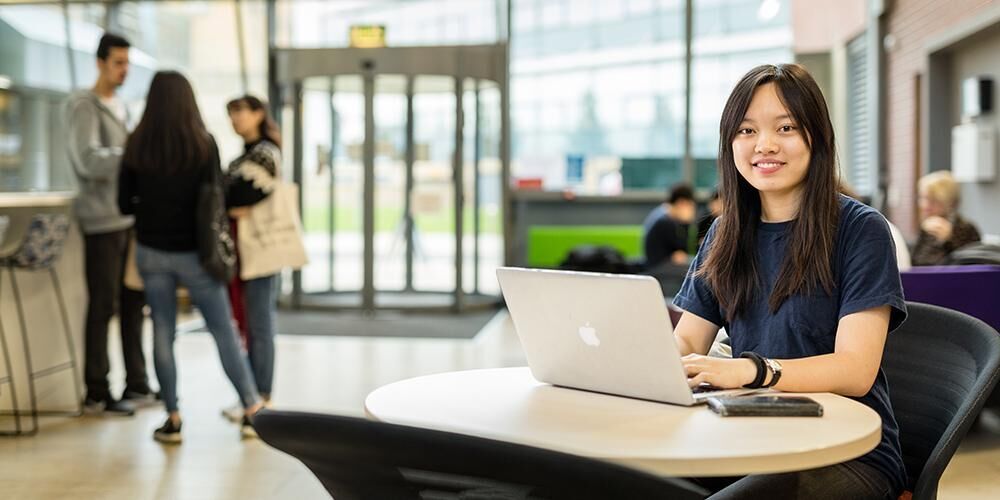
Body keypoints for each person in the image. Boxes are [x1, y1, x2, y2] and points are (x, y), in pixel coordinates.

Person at [672, 64, 906, 499]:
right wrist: (636, 366)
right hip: (747, 440)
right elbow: (686, 342)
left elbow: (855, 370)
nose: (764, 145)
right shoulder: (725, 234)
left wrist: (749, 370)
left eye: (786, 127)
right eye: (746, 131)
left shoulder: (860, 230)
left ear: (816, 137)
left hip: (845, 454)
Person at [118, 71, 263, 443]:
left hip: (152, 251)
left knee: (163, 332)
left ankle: (173, 418)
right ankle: (251, 410)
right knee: (223, 330)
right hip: (196, 253)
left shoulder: (136, 144)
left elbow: (123, 202)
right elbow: (215, 195)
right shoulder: (203, 143)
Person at [66, 33, 153, 416]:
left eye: (127, 62)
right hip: (101, 220)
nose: (124, 70)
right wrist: (131, 154)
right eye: (118, 62)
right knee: (103, 304)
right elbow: (87, 160)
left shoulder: (123, 106)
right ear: (100, 62)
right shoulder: (82, 105)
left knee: (134, 304)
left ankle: (137, 383)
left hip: (129, 218)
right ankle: (97, 391)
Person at [220, 94, 282, 422]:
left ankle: (263, 395)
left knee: (260, 323)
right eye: (230, 114)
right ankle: (253, 395)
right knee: (248, 322)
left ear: (259, 113)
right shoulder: (242, 157)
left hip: (262, 248)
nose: (235, 120)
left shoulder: (266, 153)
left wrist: (230, 199)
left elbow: (236, 194)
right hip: (245, 250)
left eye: (240, 112)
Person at [911, 170, 980, 266]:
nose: (925, 205)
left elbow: (971, 264)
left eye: (933, 200)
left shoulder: (965, 228)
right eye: (923, 198)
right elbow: (915, 263)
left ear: (949, 203)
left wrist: (949, 239)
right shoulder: (927, 228)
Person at [642, 183, 697, 268]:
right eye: (690, 206)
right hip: (658, 268)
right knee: (694, 271)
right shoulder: (665, 222)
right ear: (682, 203)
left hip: (656, 264)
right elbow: (683, 249)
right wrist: (686, 223)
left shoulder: (660, 213)